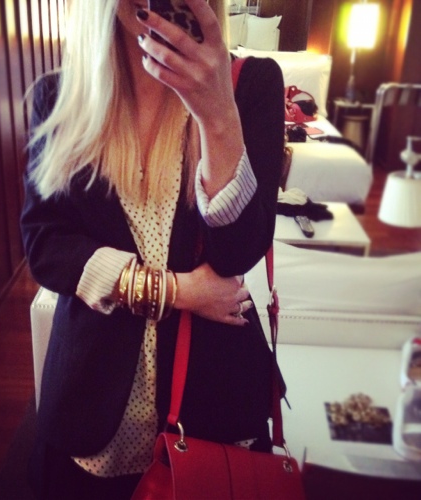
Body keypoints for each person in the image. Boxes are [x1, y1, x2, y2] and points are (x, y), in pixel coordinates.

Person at [20, 0, 285, 498]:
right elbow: (45, 243)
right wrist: (175, 291)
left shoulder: (251, 85)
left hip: (210, 410)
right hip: (90, 403)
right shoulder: (58, 98)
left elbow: (237, 254)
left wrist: (217, 115)